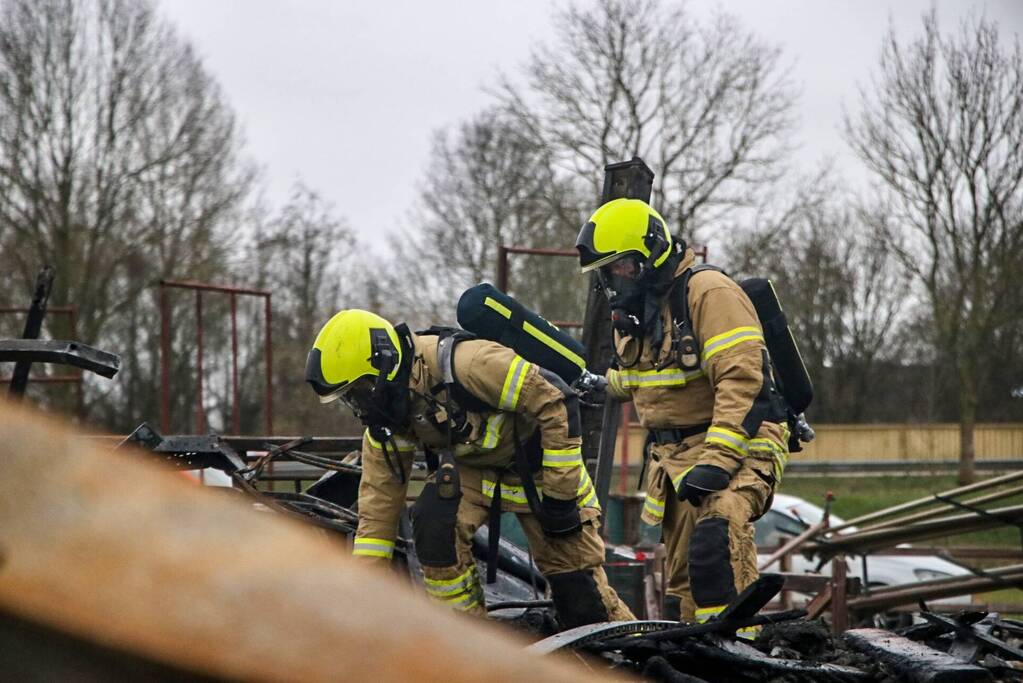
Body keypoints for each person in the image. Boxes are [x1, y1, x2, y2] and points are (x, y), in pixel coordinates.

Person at [305, 309, 634, 627]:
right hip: (477, 476)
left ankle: (643, 655)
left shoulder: (469, 363)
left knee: (582, 599)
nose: (359, 408)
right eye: (349, 400)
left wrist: (560, 499)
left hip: (541, 473)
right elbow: (377, 515)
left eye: (358, 393)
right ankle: (466, 638)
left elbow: (557, 400)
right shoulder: (389, 416)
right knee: (434, 523)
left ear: (384, 362)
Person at [576, 198, 789, 632]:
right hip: (675, 460)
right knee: (682, 584)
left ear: (650, 252)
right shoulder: (639, 312)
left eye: (620, 266)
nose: (613, 279)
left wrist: (719, 458)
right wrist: (601, 386)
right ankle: (693, 655)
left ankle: (740, 653)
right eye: (607, 270)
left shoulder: (709, 293)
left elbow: (742, 380)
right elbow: (647, 379)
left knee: (717, 539)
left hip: (741, 440)